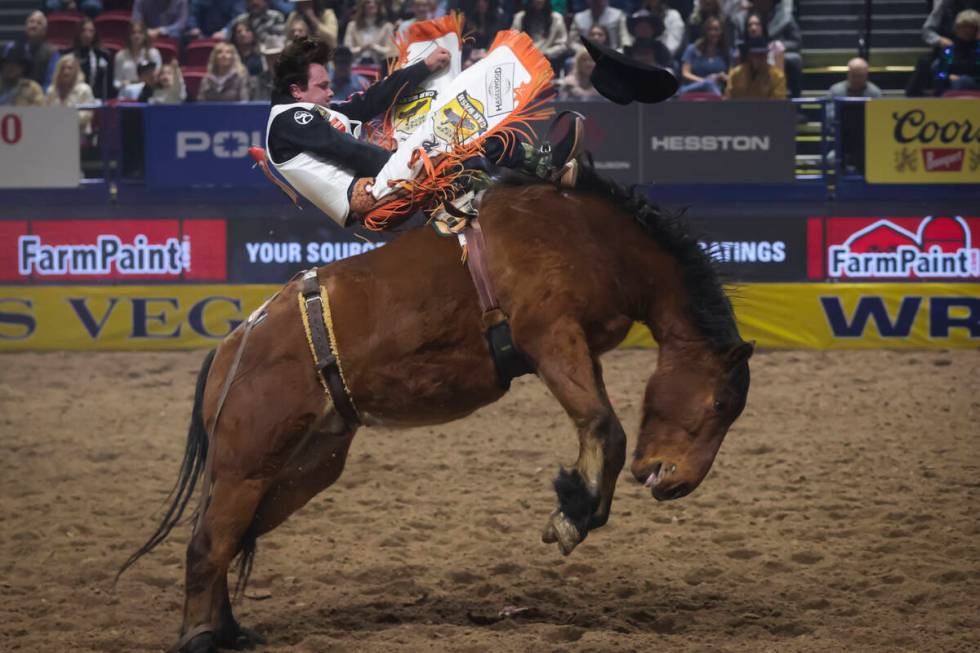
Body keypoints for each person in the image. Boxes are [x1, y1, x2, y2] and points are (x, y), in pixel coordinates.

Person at [264, 38, 583, 227]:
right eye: (322, 87)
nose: (330, 92)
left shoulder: (309, 113)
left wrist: (424, 67)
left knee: (463, 138)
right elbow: (347, 150)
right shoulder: (287, 120)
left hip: (381, 180)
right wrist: (406, 160)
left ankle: (501, 199)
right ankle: (542, 172)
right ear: (296, 91)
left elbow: (369, 101)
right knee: (459, 130)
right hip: (368, 193)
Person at [730, 0, 801, 96]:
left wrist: (774, 46)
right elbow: (737, 40)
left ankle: (789, 97)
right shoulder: (742, 17)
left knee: (792, 59)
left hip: (775, 52)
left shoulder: (785, 16)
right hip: (747, 52)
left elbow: (795, 42)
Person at [62, 17, 115, 101]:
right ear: (78, 33)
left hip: (95, 102)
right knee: (41, 113)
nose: (87, 35)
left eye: (91, 31)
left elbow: (108, 88)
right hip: (70, 101)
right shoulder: (66, 55)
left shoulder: (103, 56)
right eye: (84, 30)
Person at [45, 55, 97, 137]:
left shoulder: (84, 89)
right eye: (63, 68)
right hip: (54, 134)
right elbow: (45, 114)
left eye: (70, 68)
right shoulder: (51, 90)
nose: (66, 72)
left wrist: (65, 119)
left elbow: (87, 114)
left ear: (76, 70)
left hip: (79, 134)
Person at [5, 11, 60, 89]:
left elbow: (50, 82)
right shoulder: (11, 48)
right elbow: (4, 76)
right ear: (26, 26)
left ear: (44, 31)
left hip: (38, 95)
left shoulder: (52, 52)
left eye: (39, 23)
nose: (34, 26)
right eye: (31, 22)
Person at [511, 0, 570, 71]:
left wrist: (546, 53)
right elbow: (512, 41)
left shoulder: (557, 19)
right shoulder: (520, 18)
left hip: (548, 60)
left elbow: (562, 45)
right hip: (523, 60)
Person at [679, 14, 728, 94]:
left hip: (716, 90)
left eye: (716, 29)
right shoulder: (692, 49)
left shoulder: (724, 53)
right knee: (709, 84)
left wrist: (721, 77)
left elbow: (730, 77)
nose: (713, 33)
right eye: (710, 29)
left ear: (721, 32)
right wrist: (706, 81)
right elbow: (685, 73)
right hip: (692, 89)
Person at [725, 34, 785, 99]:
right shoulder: (736, 74)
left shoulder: (777, 76)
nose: (760, 59)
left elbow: (779, 103)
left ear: (766, 55)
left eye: (762, 55)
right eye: (756, 55)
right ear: (749, 56)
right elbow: (728, 97)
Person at [935, 9, 980, 93]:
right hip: (952, 87)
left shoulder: (978, 50)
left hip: (975, 89)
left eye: (970, 27)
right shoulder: (950, 50)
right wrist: (948, 77)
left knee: (964, 81)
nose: (966, 30)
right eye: (963, 26)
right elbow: (940, 74)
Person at [343, 0, 397, 65]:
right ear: (362, 6)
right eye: (368, 2)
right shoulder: (352, 26)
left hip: (379, 65)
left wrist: (375, 47)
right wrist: (361, 49)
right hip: (356, 64)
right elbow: (347, 49)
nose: (372, 5)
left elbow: (391, 50)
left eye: (375, 2)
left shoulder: (387, 26)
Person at [114, 21, 163, 92]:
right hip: (127, 93)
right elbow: (116, 81)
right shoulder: (120, 55)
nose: (137, 36)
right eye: (133, 33)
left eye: (140, 33)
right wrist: (121, 84)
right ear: (129, 35)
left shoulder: (153, 53)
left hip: (148, 93)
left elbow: (158, 78)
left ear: (144, 35)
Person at [221, 0, 287, 50]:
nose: (254, 2)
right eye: (250, 0)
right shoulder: (240, 20)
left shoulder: (275, 17)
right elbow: (230, 42)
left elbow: (280, 39)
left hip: (270, 52)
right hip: (245, 55)